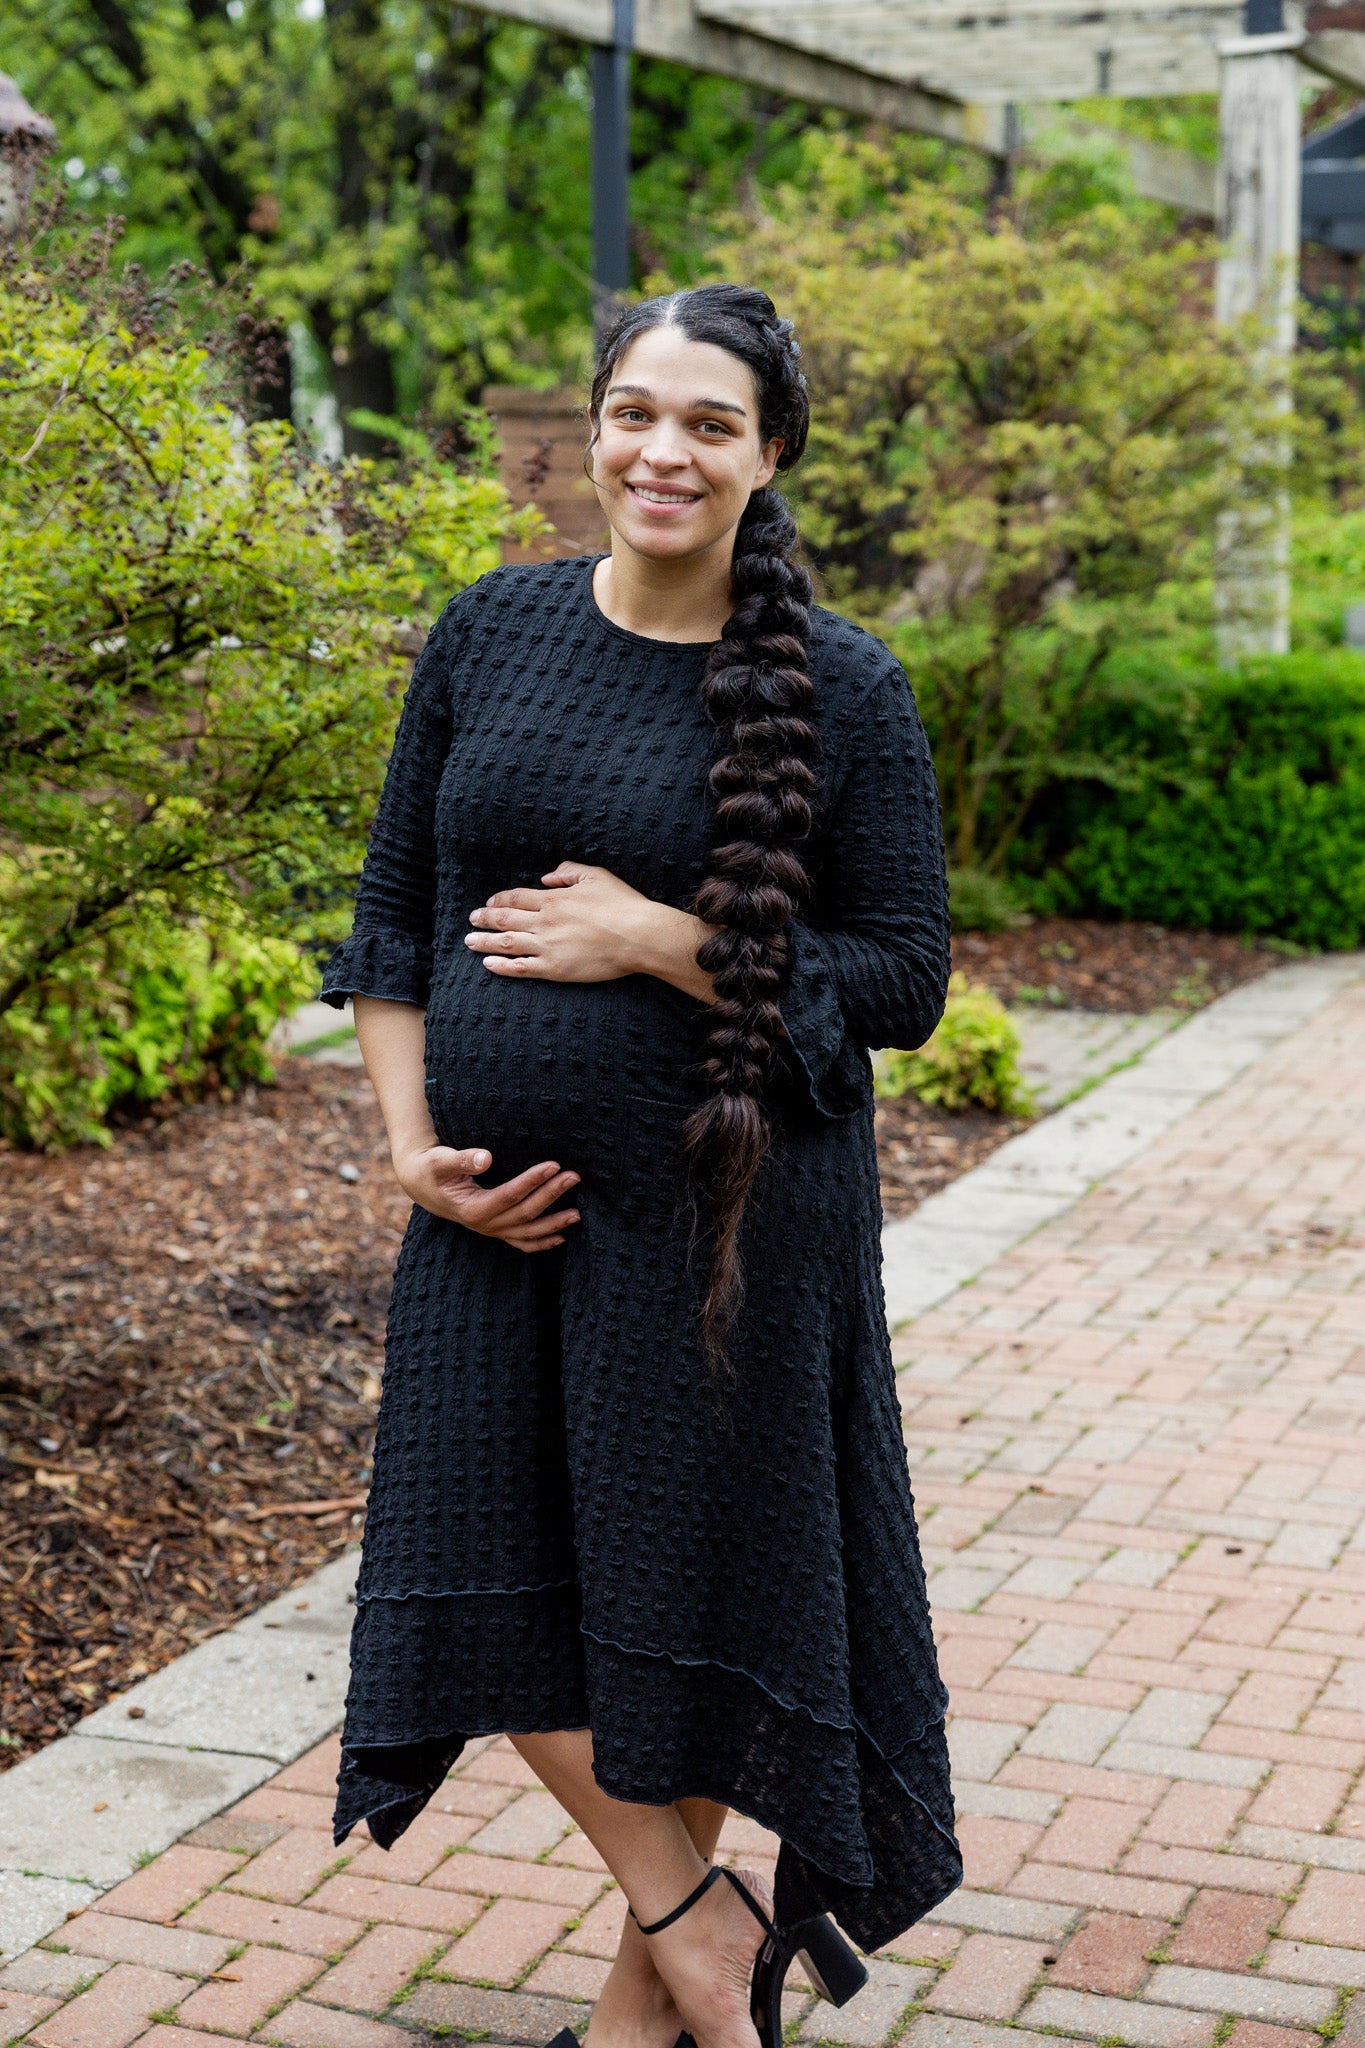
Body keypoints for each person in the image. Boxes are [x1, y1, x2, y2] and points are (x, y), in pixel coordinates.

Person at [319, 283, 962, 2048]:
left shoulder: (845, 686)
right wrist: (410, 1155)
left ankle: (650, 2004)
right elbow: (389, 924)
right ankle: (710, 1927)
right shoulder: (491, 630)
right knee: (483, 1603)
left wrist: (661, 937)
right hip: (493, 1226)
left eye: (705, 424)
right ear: (589, 428)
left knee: (679, 1606)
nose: (658, 451)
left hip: (735, 1227)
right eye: (631, 411)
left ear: (768, 457)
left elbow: (903, 980)